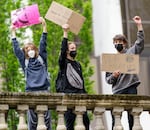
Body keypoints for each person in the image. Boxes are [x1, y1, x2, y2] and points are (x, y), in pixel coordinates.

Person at [11, 17, 51, 130]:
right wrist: (13, 32)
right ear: (26, 52)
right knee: (32, 120)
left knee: (46, 119)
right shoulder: (25, 62)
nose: (29, 50)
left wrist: (44, 26)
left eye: (31, 47)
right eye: (27, 49)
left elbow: (43, 43)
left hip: (44, 90)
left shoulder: (42, 58)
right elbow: (17, 50)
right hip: (30, 92)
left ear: (35, 49)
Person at [105, 16, 144, 130]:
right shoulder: (110, 60)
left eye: (120, 42)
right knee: (115, 115)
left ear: (125, 43)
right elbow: (108, 80)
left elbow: (140, 44)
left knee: (132, 114)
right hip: (118, 90)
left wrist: (139, 25)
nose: (118, 44)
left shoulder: (130, 53)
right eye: (116, 42)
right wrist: (114, 76)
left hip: (131, 87)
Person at [56, 24, 90, 130]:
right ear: (67, 51)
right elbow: (62, 50)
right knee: (69, 124)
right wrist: (65, 32)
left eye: (75, 48)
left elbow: (81, 81)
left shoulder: (78, 64)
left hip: (80, 96)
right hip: (69, 96)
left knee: (86, 122)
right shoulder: (63, 63)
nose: (74, 50)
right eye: (71, 48)